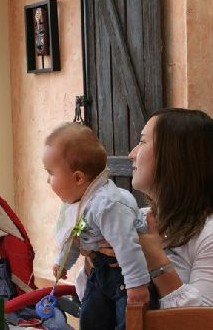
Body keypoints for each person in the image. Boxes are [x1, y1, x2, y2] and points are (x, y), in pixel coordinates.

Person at [127, 108, 213, 308]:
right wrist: (93, 261)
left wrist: (155, 258)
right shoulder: (140, 218)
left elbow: (206, 323)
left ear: (175, 155)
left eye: (142, 141)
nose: (131, 154)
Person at [42, 122, 150, 330]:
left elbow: (128, 247)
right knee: (91, 317)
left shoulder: (107, 204)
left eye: (51, 173)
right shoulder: (80, 202)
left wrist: (137, 285)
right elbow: (75, 238)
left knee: (127, 322)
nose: (48, 180)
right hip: (99, 272)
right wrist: (63, 263)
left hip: (123, 278)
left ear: (78, 178)